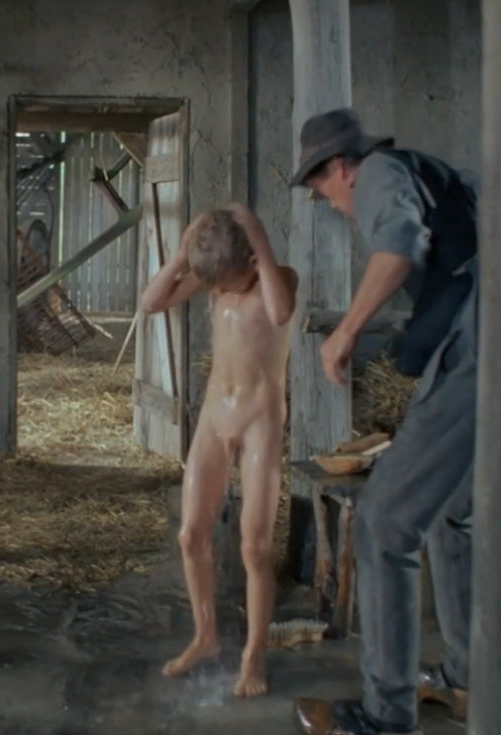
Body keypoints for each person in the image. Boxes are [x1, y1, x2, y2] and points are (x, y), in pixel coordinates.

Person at [288, 109, 479, 735]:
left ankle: (384, 716)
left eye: (322, 189)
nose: (334, 204)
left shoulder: (378, 173)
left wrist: (345, 333)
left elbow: (397, 247)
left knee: (383, 524)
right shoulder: (441, 176)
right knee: (451, 514)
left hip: (475, 358)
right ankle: (468, 680)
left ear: (340, 167)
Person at [142, 203, 298, 698]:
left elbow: (280, 313)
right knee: (191, 535)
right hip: (215, 413)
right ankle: (205, 635)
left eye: (228, 282)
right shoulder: (215, 278)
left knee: (255, 546)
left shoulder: (277, 279)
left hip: (259, 421)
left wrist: (258, 236)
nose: (220, 291)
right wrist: (182, 254)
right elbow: (151, 302)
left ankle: (254, 656)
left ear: (252, 260)